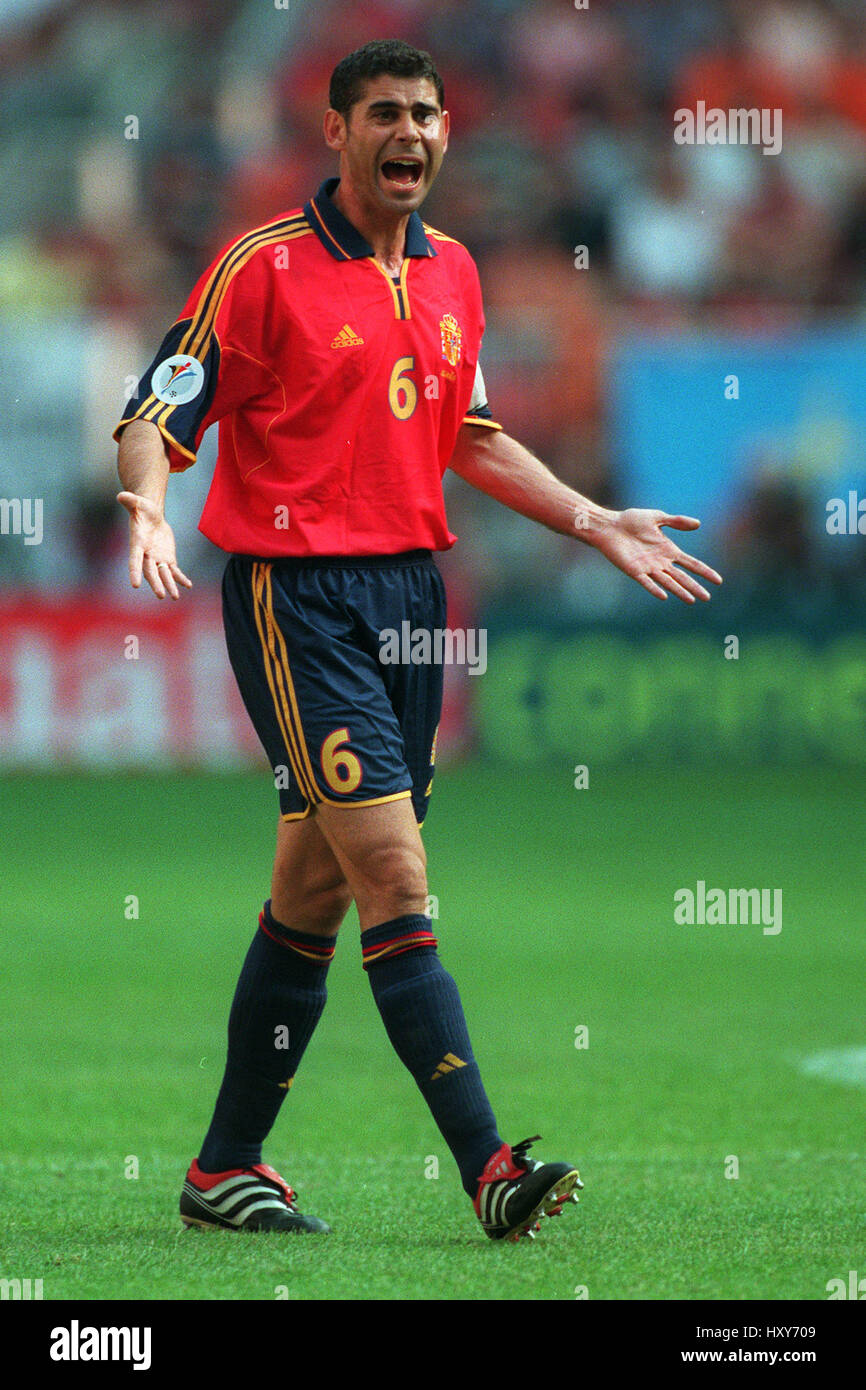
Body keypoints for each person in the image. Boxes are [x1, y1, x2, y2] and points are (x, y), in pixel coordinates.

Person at [114, 39, 722, 1244]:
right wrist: (146, 493)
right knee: (393, 872)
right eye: (383, 113)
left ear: (447, 135)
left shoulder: (451, 272)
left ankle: (221, 1169)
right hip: (297, 602)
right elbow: (158, 409)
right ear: (334, 132)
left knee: (318, 889)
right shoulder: (262, 266)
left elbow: (473, 435)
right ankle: (490, 1165)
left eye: (427, 115)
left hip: (408, 600)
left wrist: (593, 518)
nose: (410, 133)